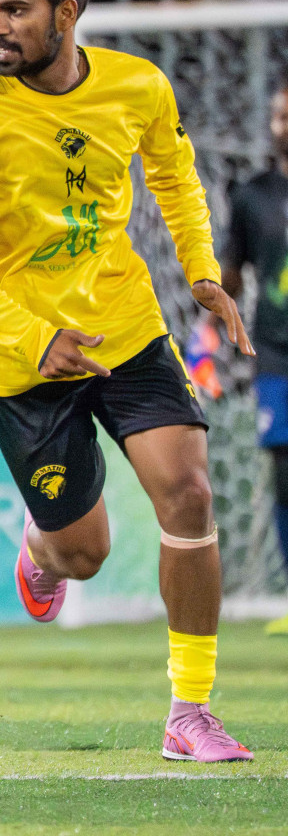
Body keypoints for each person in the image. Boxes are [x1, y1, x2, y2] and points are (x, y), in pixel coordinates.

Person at [0, 0, 254, 762]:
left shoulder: (138, 88)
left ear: (68, 11)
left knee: (189, 494)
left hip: (125, 327)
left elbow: (172, 174)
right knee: (85, 553)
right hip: (20, 358)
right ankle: (41, 547)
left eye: (18, 9)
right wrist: (36, 337)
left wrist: (204, 270)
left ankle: (190, 712)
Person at [220, 75, 288, 637]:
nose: (282, 125)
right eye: (279, 116)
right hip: (276, 351)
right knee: (284, 471)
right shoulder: (253, 194)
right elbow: (230, 272)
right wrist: (214, 329)